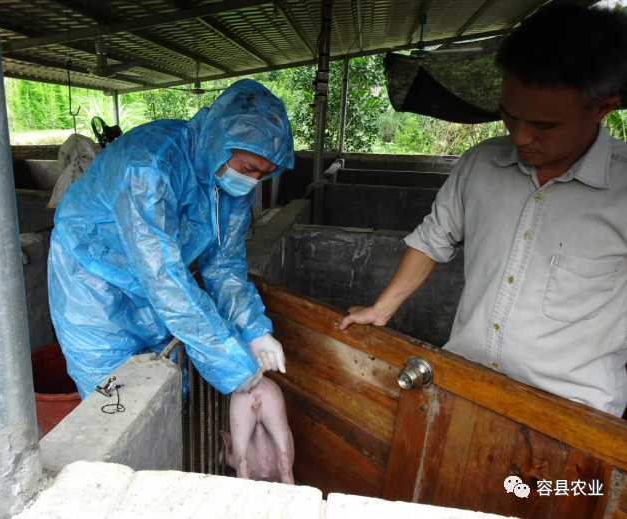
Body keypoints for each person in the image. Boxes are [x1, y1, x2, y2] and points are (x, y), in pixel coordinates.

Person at [340, 3, 627, 417]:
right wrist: (381, 309)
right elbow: (433, 237)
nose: (521, 136)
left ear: (602, 108)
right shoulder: (481, 164)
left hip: (572, 418)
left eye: (544, 125)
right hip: (467, 389)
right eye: (509, 115)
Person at [48, 79, 294, 399]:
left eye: (263, 174)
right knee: (113, 396)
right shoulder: (149, 166)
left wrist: (254, 329)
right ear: (219, 142)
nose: (251, 181)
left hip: (155, 282)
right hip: (91, 281)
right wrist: (231, 365)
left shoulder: (231, 186)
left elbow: (224, 264)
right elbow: (162, 276)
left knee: (165, 383)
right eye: (249, 168)